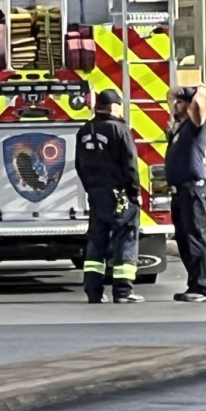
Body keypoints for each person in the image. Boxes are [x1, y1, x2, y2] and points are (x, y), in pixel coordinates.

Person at [75, 88, 144, 304]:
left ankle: (93, 291)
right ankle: (123, 291)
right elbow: (130, 164)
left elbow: (79, 165)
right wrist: (135, 193)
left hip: (97, 194)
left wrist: (91, 189)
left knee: (97, 239)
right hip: (120, 193)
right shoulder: (120, 130)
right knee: (126, 237)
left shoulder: (84, 130)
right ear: (114, 107)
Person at [165, 84, 206, 302]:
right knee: (184, 240)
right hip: (180, 191)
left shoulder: (196, 124)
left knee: (196, 238)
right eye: (175, 102)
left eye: (180, 102)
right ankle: (194, 284)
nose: (175, 105)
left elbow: (200, 104)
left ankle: (203, 287)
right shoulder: (180, 128)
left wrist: (199, 89)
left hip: (193, 189)